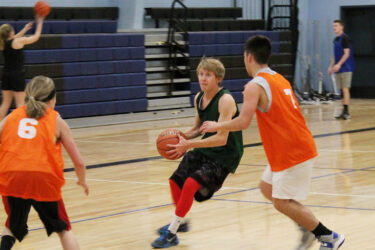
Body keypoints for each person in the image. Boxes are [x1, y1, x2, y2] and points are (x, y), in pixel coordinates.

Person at [200, 36, 345, 250]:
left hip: (292, 150)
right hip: (292, 145)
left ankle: (328, 236)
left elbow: (243, 122)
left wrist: (216, 126)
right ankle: (307, 228)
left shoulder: (254, 86)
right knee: (267, 188)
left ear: (248, 57)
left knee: (280, 201)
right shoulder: (279, 78)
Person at [151, 58, 243, 248]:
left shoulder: (225, 100)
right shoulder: (199, 98)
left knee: (191, 184)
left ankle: (171, 233)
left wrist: (190, 144)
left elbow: (221, 138)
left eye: (208, 75)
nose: (203, 78)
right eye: (201, 74)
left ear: (218, 78)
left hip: (225, 154)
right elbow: (198, 128)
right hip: (207, 147)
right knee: (175, 181)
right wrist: (180, 138)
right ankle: (181, 222)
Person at [0, 76, 89, 250]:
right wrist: (82, 180)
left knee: (12, 225)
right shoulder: (56, 120)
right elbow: (78, 162)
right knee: (63, 228)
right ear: (53, 99)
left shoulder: (12, 116)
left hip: (12, 177)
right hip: (43, 179)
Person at [0, 15, 44, 121]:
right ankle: (20, 128)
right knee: (20, 105)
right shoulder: (17, 42)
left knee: (5, 104)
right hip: (17, 76)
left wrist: (24, 29)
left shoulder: (2, 44)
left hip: (6, 75)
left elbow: (13, 39)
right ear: (11, 33)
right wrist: (40, 22)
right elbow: (36, 37)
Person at [328, 20, 355, 120]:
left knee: (345, 89)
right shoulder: (335, 40)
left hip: (346, 67)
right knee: (341, 90)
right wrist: (331, 66)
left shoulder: (345, 38)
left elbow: (346, 53)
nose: (334, 28)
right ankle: (343, 111)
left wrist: (339, 64)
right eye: (333, 26)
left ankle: (347, 112)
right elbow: (336, 56)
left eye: (336, 26)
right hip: (338, 68)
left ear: (341, 27)